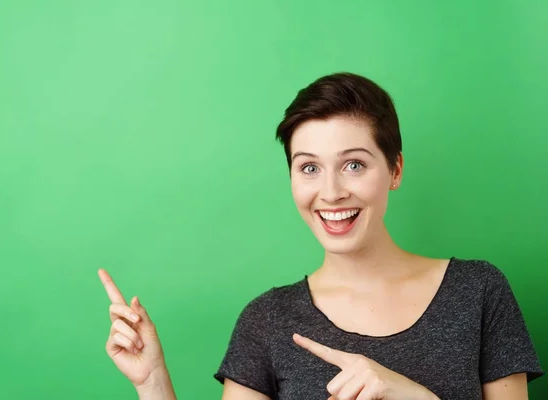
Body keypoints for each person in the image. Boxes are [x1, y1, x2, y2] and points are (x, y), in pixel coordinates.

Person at [97, 72, 544, 400]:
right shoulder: (266, 321)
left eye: (354, 164)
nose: (330, 193)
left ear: (395, 170)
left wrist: (409, 394)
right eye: (309, 167)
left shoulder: (479, 292)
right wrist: (152, 382)